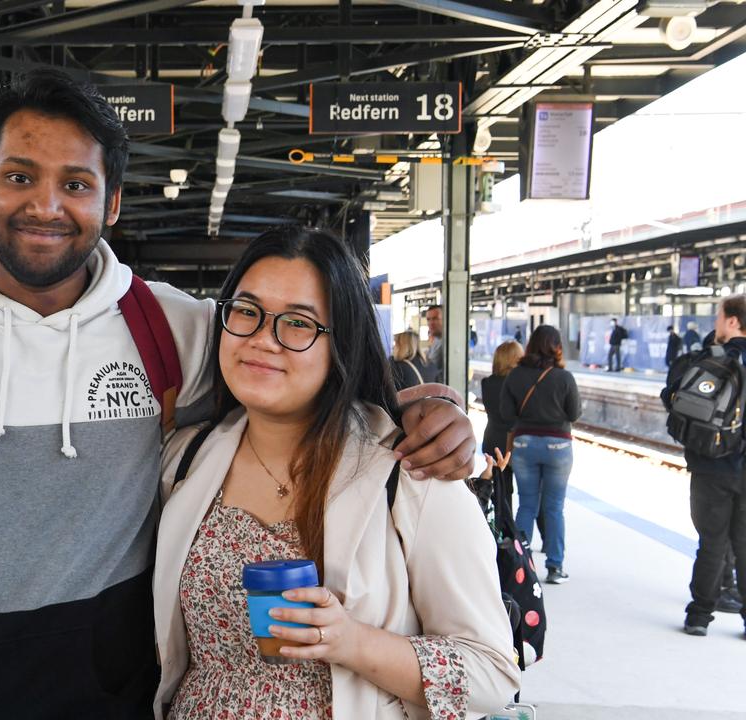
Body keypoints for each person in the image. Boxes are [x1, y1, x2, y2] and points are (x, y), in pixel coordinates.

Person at [0, 69, 478, 719]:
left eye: (77, 184)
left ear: (111, 202)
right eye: (19, 176)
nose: (46, 205)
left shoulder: (175, 331)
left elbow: (302, 365)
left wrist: (420, 406)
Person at [153, 228, 518, 719]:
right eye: (246, 311)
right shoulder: (185, 459)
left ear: (342, 344)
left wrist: (351, 642)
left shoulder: (410, 473)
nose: (263, 339)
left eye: (299, 323)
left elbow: (492, 672)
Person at [671, 295, 746, 636]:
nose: (715, 322)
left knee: (712, 542)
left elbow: (673, 396)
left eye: (719, 316)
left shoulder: (708, 358)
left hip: (711, 466)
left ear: (733, 322)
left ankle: (700, 616)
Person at [500, 325, 581, 584]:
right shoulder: (564, 378)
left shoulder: (515, 376)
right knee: (554, 508)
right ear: (557, 347)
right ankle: (555, 567)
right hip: (558, 446)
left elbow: (506, 414)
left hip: (524, 445)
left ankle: (518, 565)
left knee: (527, 505)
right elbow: (574, 414)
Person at [481, 340, 523, 511]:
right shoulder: (519, 384)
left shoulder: (487, 383)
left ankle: (501, 528)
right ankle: (511, 532)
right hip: (513, 441)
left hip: (492, 438)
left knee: (500, 490)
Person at [424, 304, 444, 371]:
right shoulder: (436, 339)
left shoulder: (446, 343)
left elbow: (428, 368)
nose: (431, 323)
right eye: (428, 319)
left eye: (435, 319)